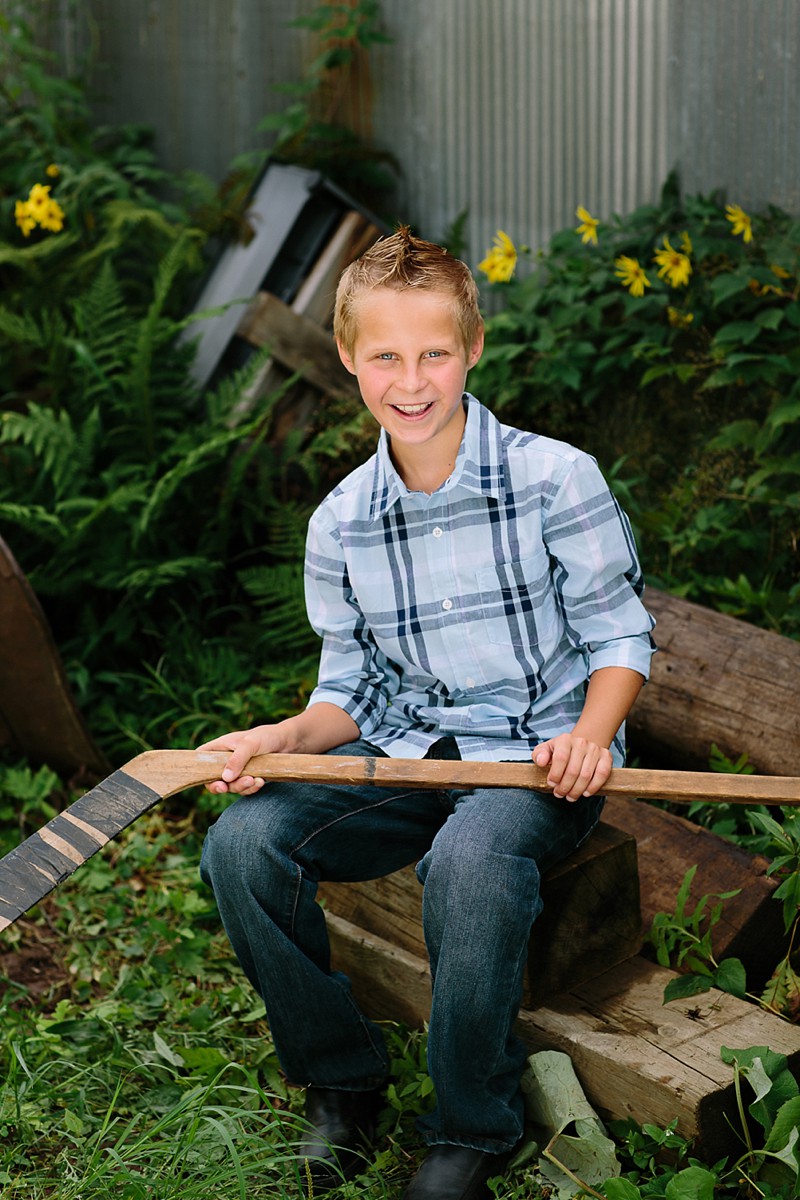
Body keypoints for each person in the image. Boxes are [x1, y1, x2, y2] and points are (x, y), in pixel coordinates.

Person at [198, 228, 655, 1200]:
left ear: (472, 349)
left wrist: (585, 734)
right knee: (241, 846)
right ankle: (340, 1081)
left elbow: (618, 638)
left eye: (433, 353)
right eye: (384, 357)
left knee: (472, 857)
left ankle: (469, 1127)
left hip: (537, 766)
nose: (411, 382)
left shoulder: (552, 480)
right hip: (402, 759)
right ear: (349, 358)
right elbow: (346, 690)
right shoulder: (342, 522)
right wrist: (281, 740)